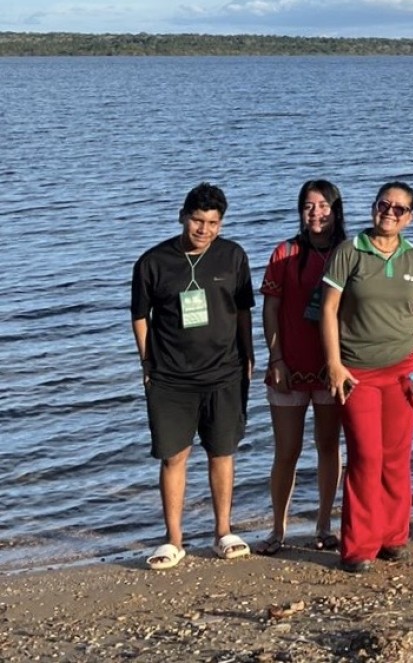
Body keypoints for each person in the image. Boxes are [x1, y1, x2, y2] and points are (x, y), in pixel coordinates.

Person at [131, 183, 255, 570]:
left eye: (213, 223)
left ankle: (223, 532)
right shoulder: (152, 262)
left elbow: (244, 310)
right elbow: (140, 317)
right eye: (198, 220)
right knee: (174, 456)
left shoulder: (233, 256)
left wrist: (249, 356)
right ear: (183, 216)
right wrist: (146, 364)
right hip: (170, 377)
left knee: (222, 452)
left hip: (224, 372)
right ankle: (174, 539)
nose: (204, 229)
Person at [320, 181, 413, 573]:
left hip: (403, 370)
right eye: (384, 204)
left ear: (410, 218)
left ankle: (393, 537)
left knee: (396, 458)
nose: (390, 212)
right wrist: (334, 364)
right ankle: (358, 546)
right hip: (358, 374)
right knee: (366, 457)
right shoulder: (349, 251)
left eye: (399, 209)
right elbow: (329, 310)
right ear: (374, 207)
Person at [259, 180, 347, 556]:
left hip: (331, 368)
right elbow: (271, 309)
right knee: (287, 451)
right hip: (289, 367)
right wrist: (275, 357)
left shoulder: (349, 251)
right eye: (309, 206)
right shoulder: (286, 252)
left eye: (324, 205)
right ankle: (277, 529)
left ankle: (324, 526)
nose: (316, 213)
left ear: (336, 209)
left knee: (328, 446)